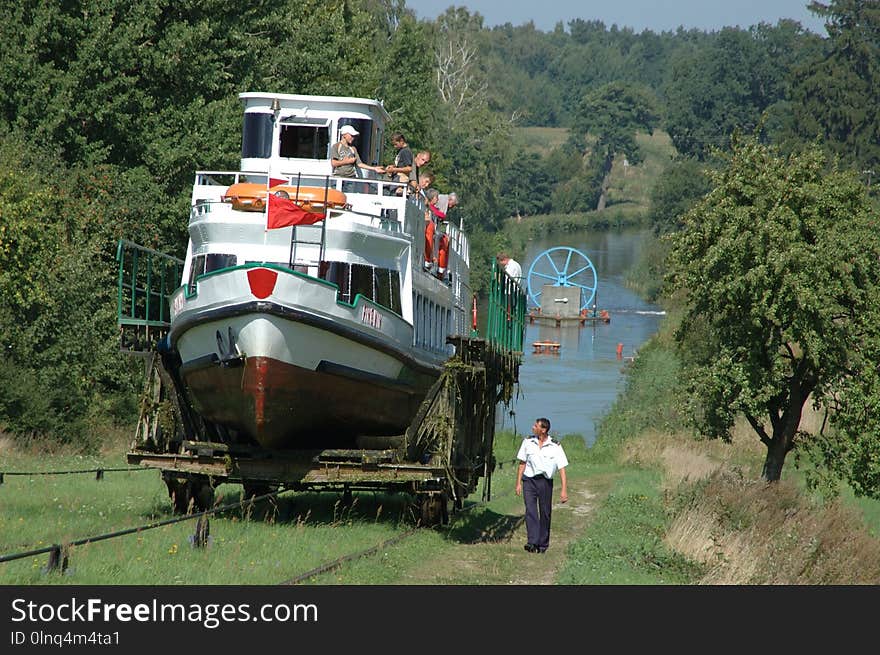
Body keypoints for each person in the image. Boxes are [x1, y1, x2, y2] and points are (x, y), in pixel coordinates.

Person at [515, 417, 568, 554]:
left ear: (543, 430)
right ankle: (532, 542)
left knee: (545, 512)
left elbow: (562, 468)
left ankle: (543, 544)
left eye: (536, 426)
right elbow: (522, 463)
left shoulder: (555, 446)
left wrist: (563, 490)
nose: (533, 427)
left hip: (545, 482)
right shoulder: (527, 442)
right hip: (529, 481)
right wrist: (518, 483)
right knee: (530, 510)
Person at [423, 188, 450, 277]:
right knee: (438, 236)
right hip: (431, 230)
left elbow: (440, 214)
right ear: (433, 198)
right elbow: (441, 214)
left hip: (434, 231)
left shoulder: (432, 208)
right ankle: (433, 261)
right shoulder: (429, 207)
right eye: (436, 197)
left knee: (443, 238)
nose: (438, 200)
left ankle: (441, 268)